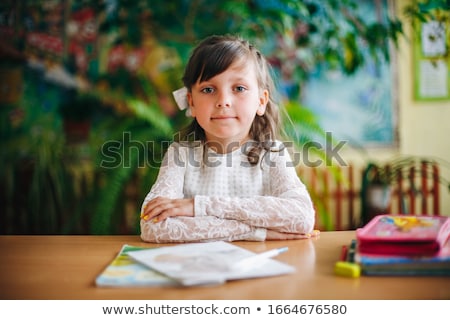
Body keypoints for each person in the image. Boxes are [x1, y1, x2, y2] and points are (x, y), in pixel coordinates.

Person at [140, 35, 316, 243]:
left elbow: (302, 216)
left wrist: (198, 206)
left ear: (261, 101)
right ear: (192, 102)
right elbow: (152, 226)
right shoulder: (180, 155)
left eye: (239, 88)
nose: (223, 101)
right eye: (208, 89)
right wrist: (256, 232)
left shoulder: (273, 153)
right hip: (198, 270)